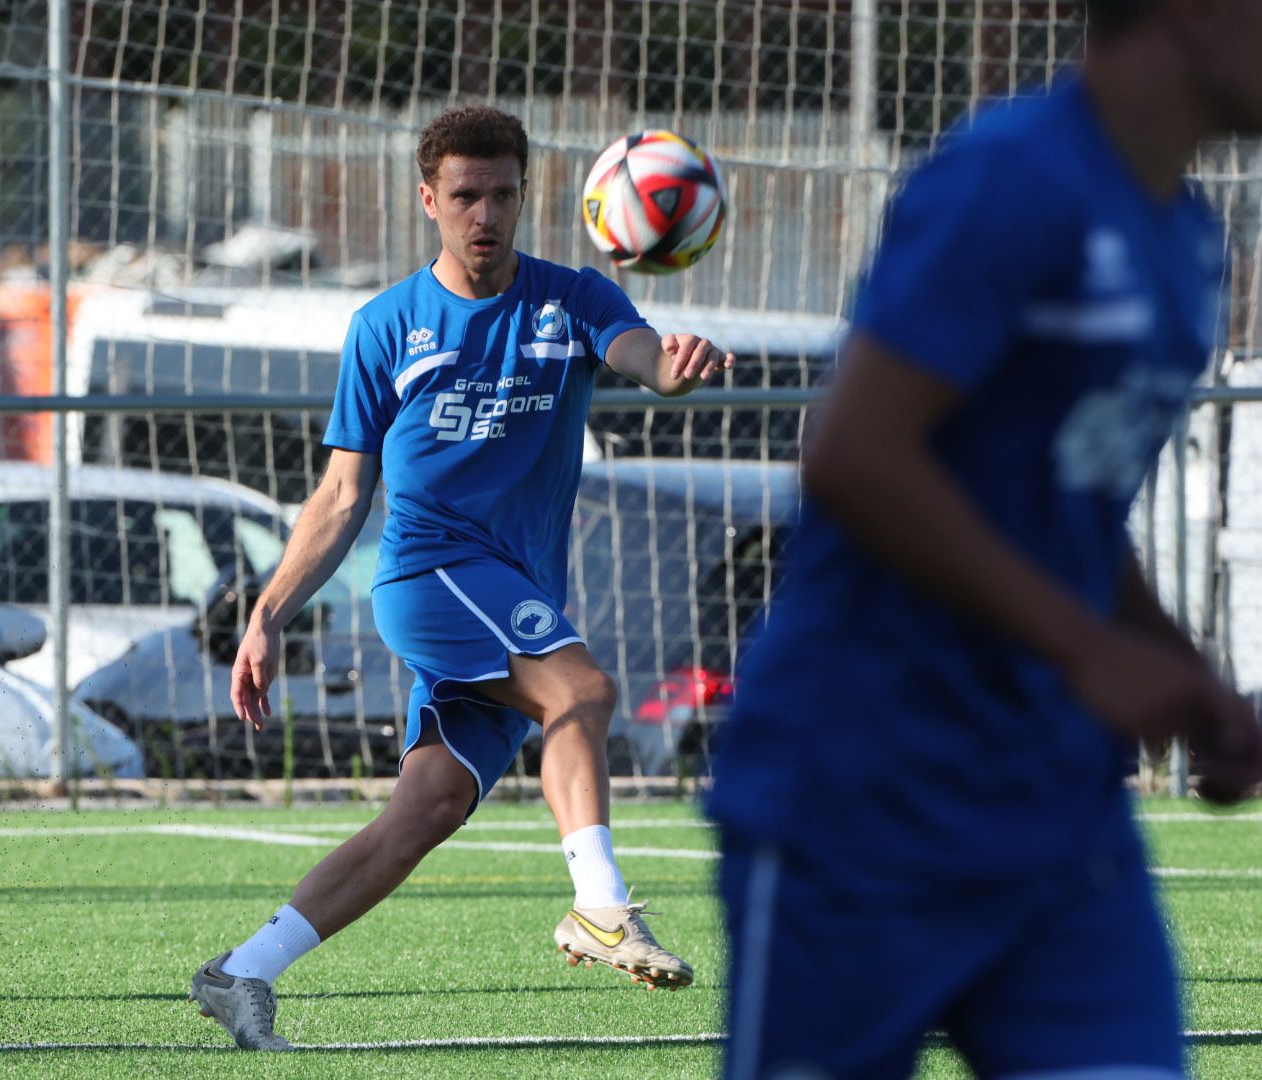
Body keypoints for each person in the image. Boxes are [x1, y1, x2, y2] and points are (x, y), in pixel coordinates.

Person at [707, 0, 1262, 1075]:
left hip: (1057, 812)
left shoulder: (1190, 237)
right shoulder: (1009, 178)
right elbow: (856, 453)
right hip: (862, 800)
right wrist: (1089, 651)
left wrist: (1188, 673)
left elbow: (1071, 504)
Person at [188, 104, 730, 1051]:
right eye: (466, 195)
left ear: (528, 197)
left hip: (511, 590)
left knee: (428, 807)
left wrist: (673, 367)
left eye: (504, 194)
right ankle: (601, 908)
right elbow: (341, 494)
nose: (486, 214)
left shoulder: (573, 299)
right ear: (429, 198)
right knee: (585, 690)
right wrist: (267, 612)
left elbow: (640, 356)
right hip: (432, 575)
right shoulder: (386, 325)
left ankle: (242, 972)